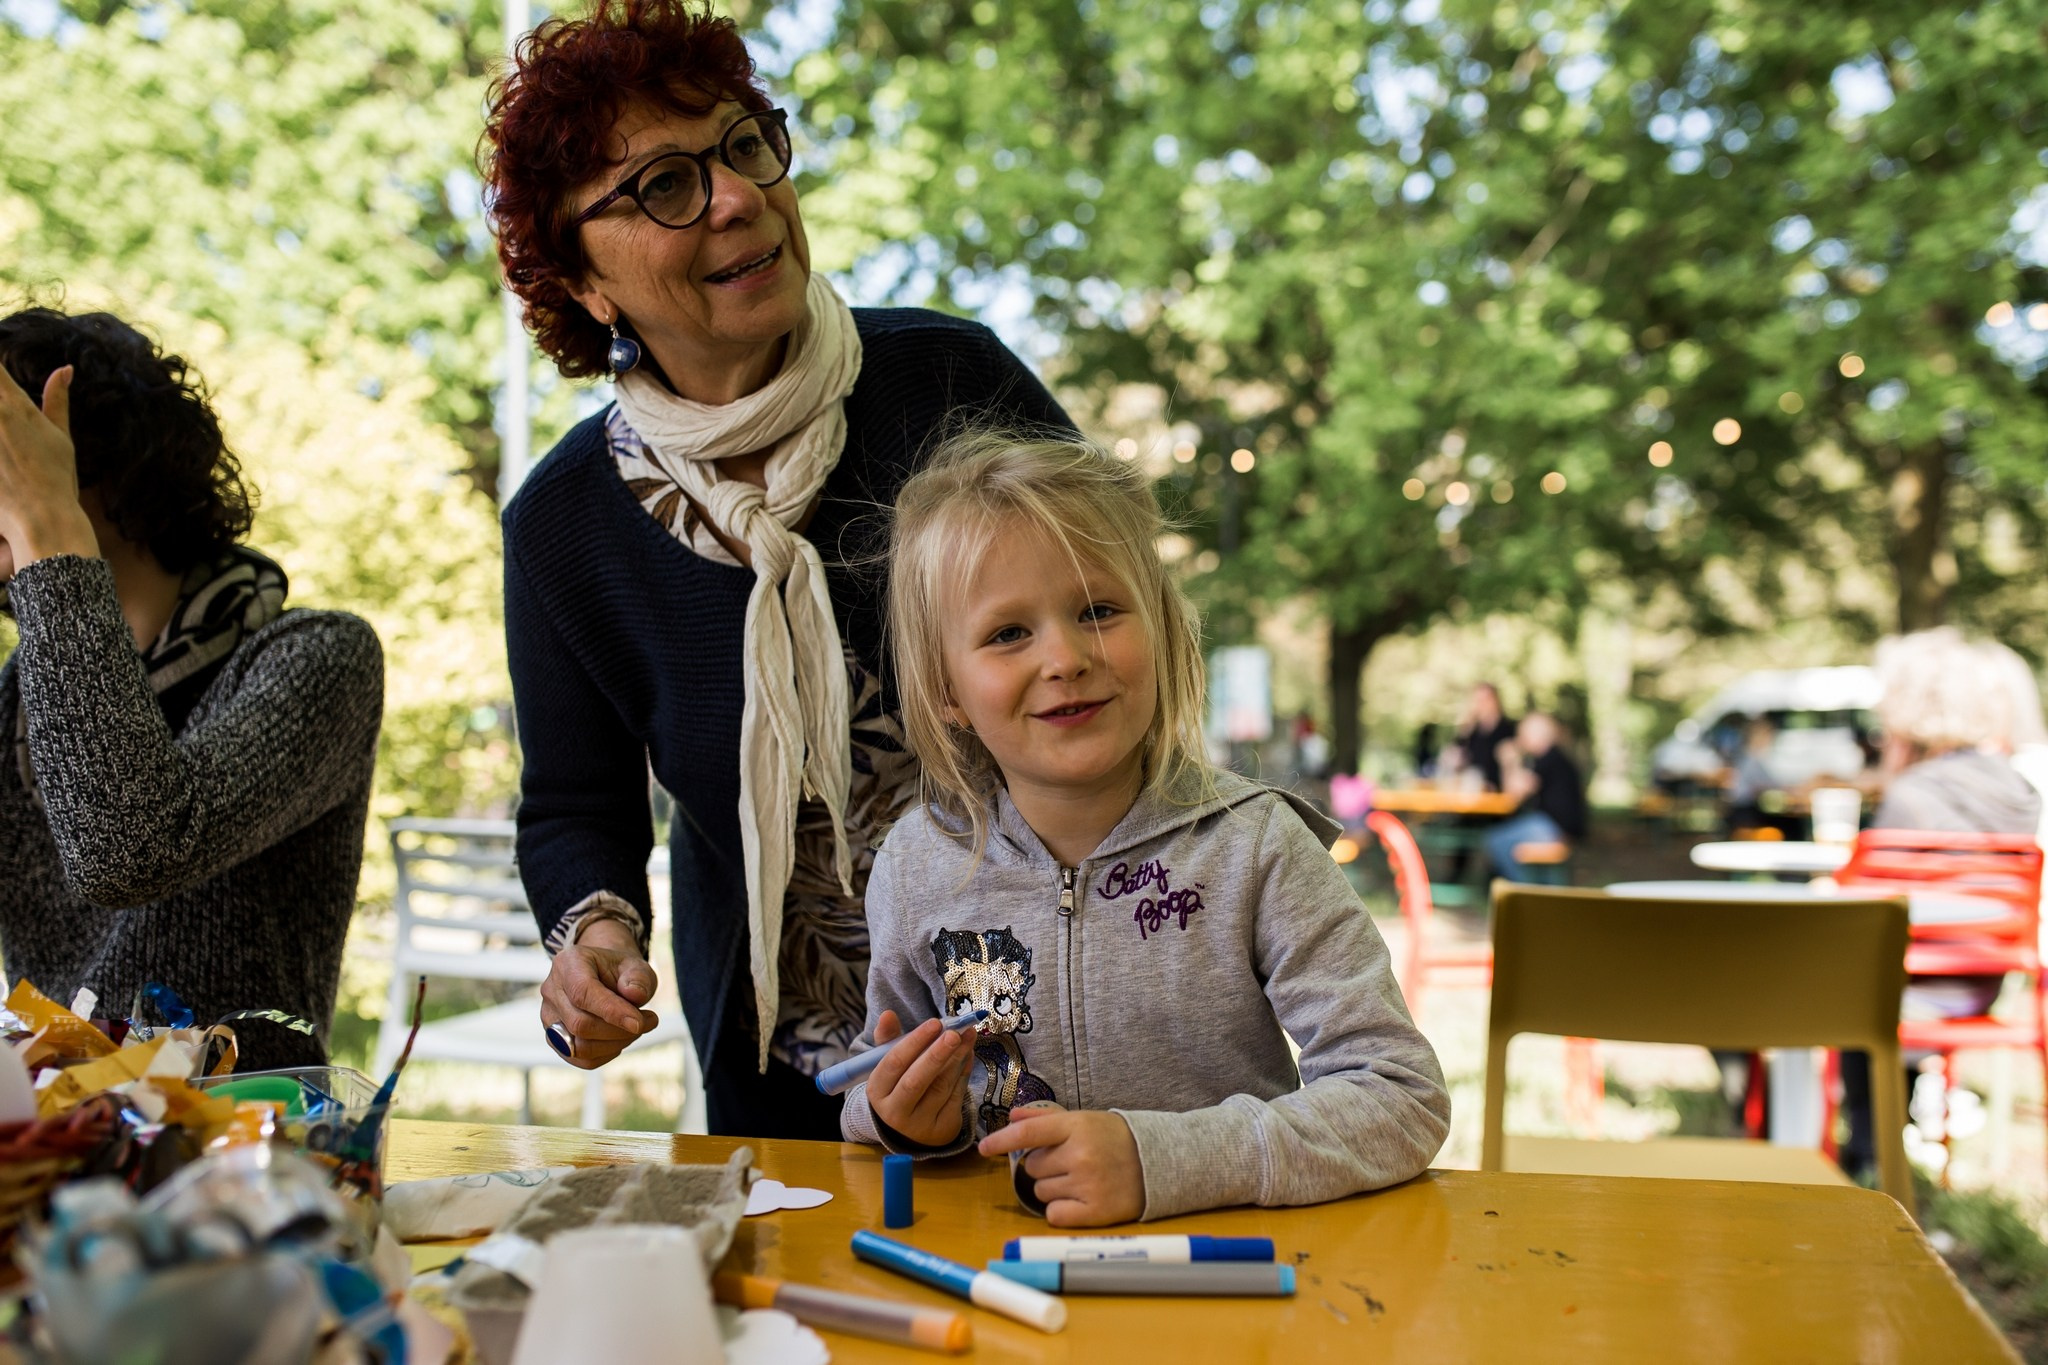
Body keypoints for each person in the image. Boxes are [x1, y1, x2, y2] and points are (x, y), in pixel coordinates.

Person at [483, 1, 1075, 1138]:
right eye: (663, 185)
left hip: (1063, 1008)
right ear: (586, 285)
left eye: (744, 144)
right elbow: (574, 804)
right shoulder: (564, 525)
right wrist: (592, 939)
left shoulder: (956, 384)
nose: (739, 196)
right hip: (786, 1048)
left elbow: (1120, 635)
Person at [838, 432, 1449, 1226]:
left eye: (1097, 611)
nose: (1064, 656)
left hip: (1237, 1288)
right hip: (1000, 1289)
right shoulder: (918, 865)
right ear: (946, 685)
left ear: (1160, 627)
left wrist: (1161, 1161)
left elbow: (1400, 1096)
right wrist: (899, 1119)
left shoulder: (1256, 845)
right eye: (1007, 633)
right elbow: (871, 1081)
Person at [0, 309, 383, 1071]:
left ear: (91, 462)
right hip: (54, 1148)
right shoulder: (20, 691)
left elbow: (129, 850)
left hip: (242, 1160)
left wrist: (48, 526)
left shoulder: (319, 657)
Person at [1835, 628, 2042, 1176]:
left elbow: (1866, 915)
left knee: (1849, 976)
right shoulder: (2020, 791)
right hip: (1982, 979)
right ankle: (1879, 1138)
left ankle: (1864, 1150)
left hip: (1910, 987)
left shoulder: (1913, 795)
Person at [1483, 713, 1587, 883]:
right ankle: (1536, 889)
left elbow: (1513, 794)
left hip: (1553, 828)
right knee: (1504, 838)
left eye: (1523, 734)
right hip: (1558, 826)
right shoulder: (1556, 758)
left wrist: (1509, 761)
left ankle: (1526, 890)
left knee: (1495, 841)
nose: (1520, 739)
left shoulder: (1548, 760)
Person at [1447, 682, 1517, 791]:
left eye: (1486, 699)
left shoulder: (1510, 729)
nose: (1482, 704)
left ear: (1496, 700)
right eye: (1478, 700)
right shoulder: (1471, 732)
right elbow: (1456, 758)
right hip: (1474, 790)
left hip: (1501, 792)